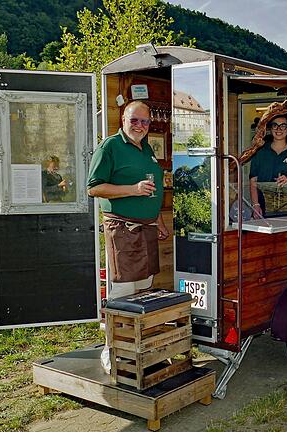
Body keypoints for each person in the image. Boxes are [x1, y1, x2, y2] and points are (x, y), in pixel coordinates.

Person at [87, 100, 169, 372]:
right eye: (134, 120)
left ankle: (138, 347)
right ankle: (112, 349)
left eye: (145, 122)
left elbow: (153, 190)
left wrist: (157, 220)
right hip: (122, 228)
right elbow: (94, 188)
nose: (140, 126)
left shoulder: (146, 149)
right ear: (123, 119)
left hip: (146, 227)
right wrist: (132, 189)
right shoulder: (110, 146)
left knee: (145, 289)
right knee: (123, 291)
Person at [248, 114, 287, 218]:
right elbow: (253, 180)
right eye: (275, 125)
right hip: (263, 208)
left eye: (283, 126)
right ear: (270, 129)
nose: (279, 129)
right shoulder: (260, 152)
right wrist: (256, 205)